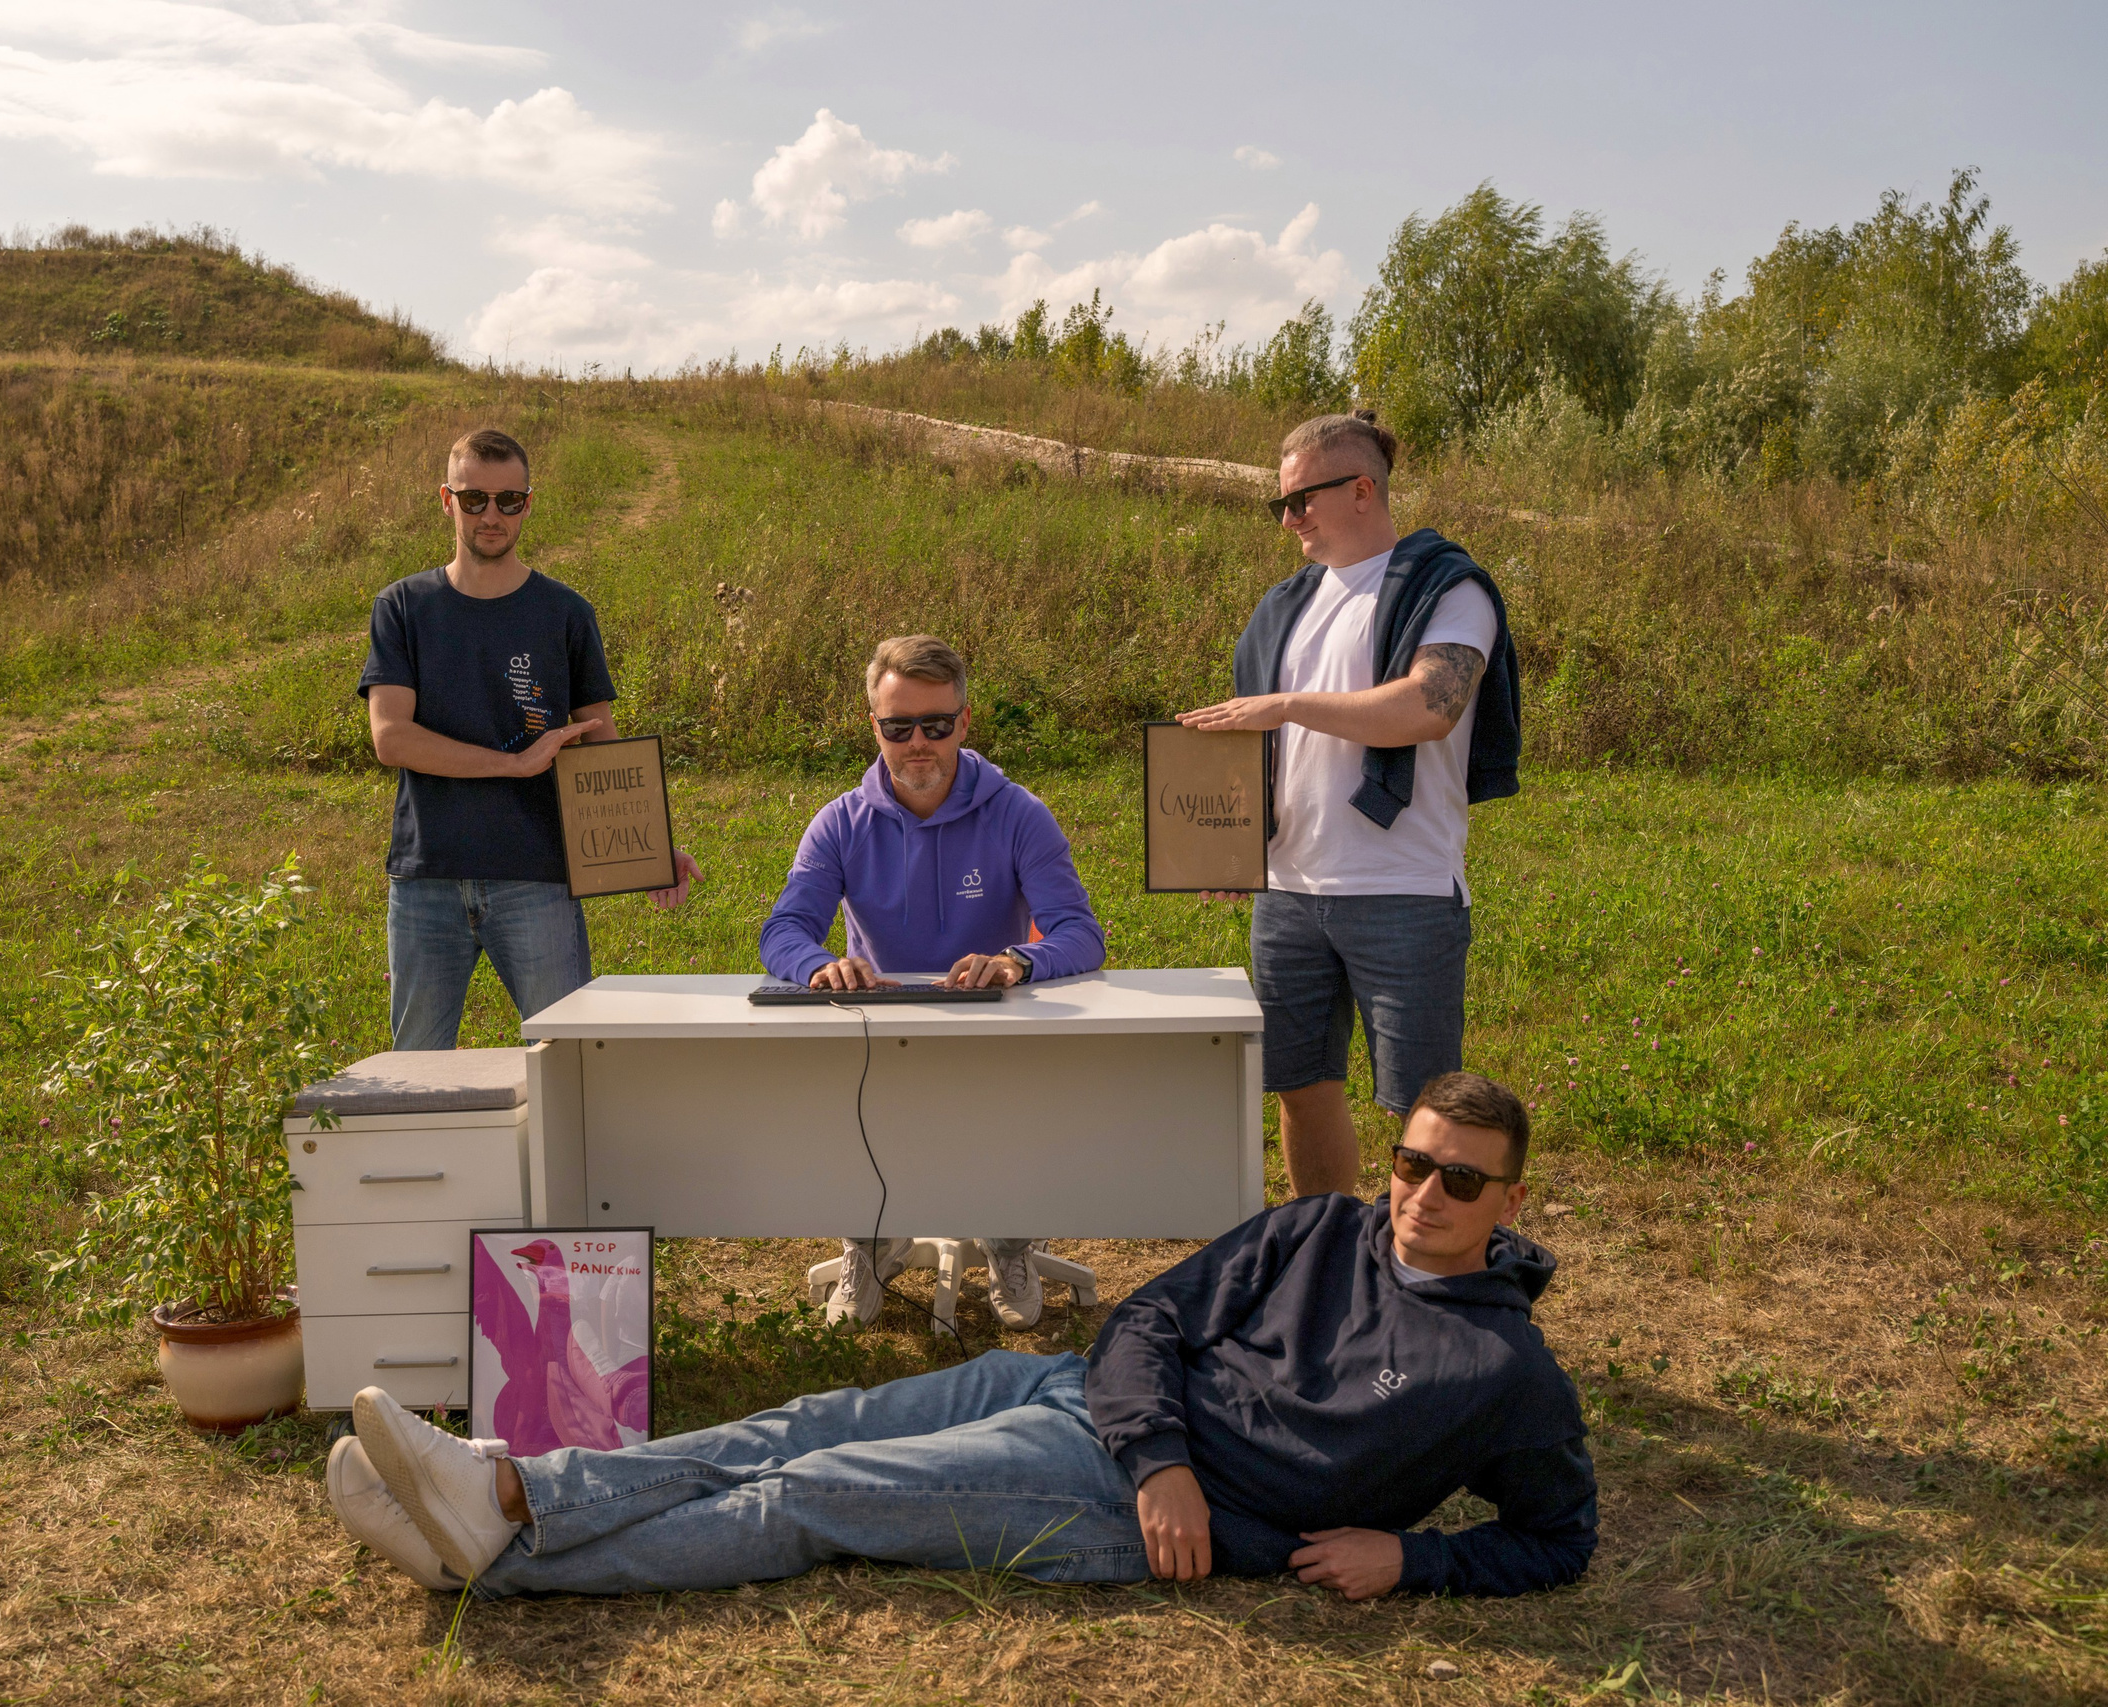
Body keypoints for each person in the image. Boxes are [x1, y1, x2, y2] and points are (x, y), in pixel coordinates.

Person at [325, 1072, 1595, 1602]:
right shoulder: (1321, 1228)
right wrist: (1154, 1442)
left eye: (1460, 1182)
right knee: (801, 1422)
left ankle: (495, 1544)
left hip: (1120, 1502)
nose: (1423, 1195)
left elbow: (1560, 1539)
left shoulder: (1502, 1375)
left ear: (1511, 1201)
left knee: (816, 1494)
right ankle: (506, 1498)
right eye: (1413, 1163)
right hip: (1088, 1403)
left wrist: (1412, 1564)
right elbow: (1150, 1316)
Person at [1178, 410, 1520, 1198]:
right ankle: (1328, 1254)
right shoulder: (1285, 605)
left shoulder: (1447, 585)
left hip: (1403, 889)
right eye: (1281, 504)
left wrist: (1292, 703)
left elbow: (1428, 706)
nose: (1289, 518)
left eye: (1301, 499)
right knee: (1300, 1086)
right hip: (1291, 893)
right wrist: (1236, 845)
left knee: (1427, 1112)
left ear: (1362, 488)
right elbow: (1257, 744)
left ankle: (1419, 1277)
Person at [757, 634, 1107, 1331]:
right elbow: (782, 933)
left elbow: (1080, 932)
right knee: (838, 1086)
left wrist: (1017, 960)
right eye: (899, 727)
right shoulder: (840, 823)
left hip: (992, 1031)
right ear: (874, 728)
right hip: (879, 1036)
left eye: (937, 725)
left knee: (1011, 1099)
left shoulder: (1017, 813)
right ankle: (871, 1240)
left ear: (965, 722)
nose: (919, 742)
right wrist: (819, 964)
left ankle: (1009, 1243)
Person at [360, 428, 699, 1051]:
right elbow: (392, 738)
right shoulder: (403, 607)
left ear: (527, 504)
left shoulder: (565, 613)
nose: (492, 514)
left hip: (536, 877)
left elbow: (598, 741)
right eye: (475, 499)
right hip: (428, 878)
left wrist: (650, 847)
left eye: (509, 500)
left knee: (567, 1063)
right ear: (446, 500)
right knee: (416, 1072)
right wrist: (513, 765)